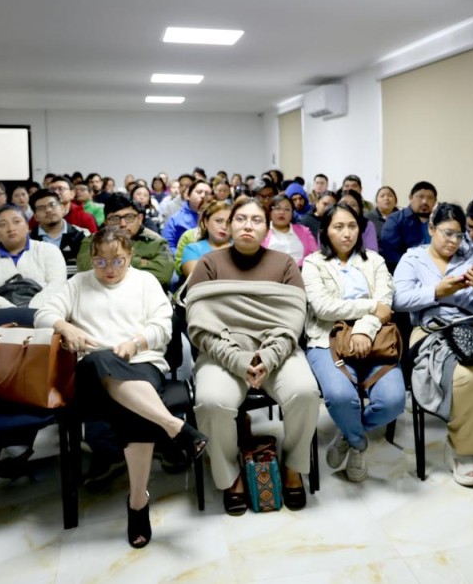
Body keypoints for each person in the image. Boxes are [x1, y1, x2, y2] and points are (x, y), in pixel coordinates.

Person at [35, 228, 207, 548]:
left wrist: (136, 342)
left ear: (129, 257)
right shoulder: (78, 283)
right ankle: (174, 427)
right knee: (101, 359)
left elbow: (162, 326)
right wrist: (65, 326)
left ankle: (138, 504)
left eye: (117, 261)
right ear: (91, 258)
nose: (109, 269)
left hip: (141, 362)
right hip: (93, 374)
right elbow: (42, 313)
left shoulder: (145, 282)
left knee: (135, 410)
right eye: (100, 261)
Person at [185, 197, 320, 515]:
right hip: (223, 352)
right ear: (228, 225)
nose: (248, 225)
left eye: (256, 220)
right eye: (240, 219)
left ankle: (293, 466)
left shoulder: (284, 263)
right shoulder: (209, 264)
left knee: (305, 392)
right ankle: (230, 475)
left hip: (278, 349)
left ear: (267, 227)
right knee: (210, 401)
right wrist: (238, 360)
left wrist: (269, 357)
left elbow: (293, 321)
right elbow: (200, 327)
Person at [393, 203, 473, 488]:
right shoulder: (413, 259)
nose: (453, 241)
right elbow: (398, 300)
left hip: (472, 328)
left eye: (459, 235)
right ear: (431, 229)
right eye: (447, 233)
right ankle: (462, 449)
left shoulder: (469, 257)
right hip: (431, 329)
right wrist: (436, 292)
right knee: (464, 377)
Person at [302, 203, 402, 482]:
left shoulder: (375, 261)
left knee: (393, 401)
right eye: (338, 227)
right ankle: (358, 443)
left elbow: (387, 305)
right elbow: (323, 308)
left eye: (352, 226)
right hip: (326, 338)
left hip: (375, 338)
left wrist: (363, 330)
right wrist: (371, 307)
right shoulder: (313, 263)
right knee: (339, 397)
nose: (347, 233)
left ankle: (347, 433)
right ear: (325, 231)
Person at [0, 205, 67, 311]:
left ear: (27, 226)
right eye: (2, 225)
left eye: (16, 222)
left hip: (44, 313)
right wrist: (13, 312)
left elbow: (57, 284)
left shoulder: (49, 250)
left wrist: (31, 311)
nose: (10, 228)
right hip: (2, 317)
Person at [76, 193, 174, 288]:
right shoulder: (92, 241)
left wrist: (109, 262)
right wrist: (141, 262)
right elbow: (87, 271)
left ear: (140, 219)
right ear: (106, 222)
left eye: (129, 217)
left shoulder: (157, 242)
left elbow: (164, 275)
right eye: (115, 219)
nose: (122, 224)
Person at [379, 181, 437, 272]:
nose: (425, 201)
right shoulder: (395, 220)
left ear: (435, 201)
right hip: (405, 271)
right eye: (420, 196)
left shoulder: (439, 222)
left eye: (430, 198)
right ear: (410, 198)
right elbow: (390, 253)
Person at [29, 189, 88, 277]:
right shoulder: (28, 239)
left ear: (62, 209)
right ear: (36, 217)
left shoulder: (82, 235)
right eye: (41, 208)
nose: (48, 210)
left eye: (52, 205)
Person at [179, 200, 231, 281]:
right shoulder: (193, 249)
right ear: (206, 222)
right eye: (218, 221)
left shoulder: (241, 249)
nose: (224, 227)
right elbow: (198, 280)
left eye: (229, 222)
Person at [261, 194, 318, 267]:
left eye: (287, 209)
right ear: (270, 212)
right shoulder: (262, 232)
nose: (282, 212)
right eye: (277, 208)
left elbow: (314, 256)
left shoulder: (304, 231)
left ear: (292, 214)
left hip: (301, 274)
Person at [162, 179, 212, 252]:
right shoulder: (175, 220)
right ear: (188, 195)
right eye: (199, 192)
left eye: (207, 193)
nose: (203, 196)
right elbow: (167, 245)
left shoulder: (216, 219)